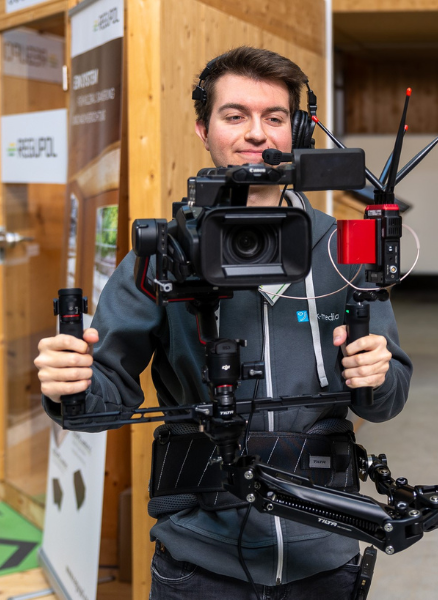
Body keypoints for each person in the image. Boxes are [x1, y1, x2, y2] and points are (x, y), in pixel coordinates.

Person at [35, 46, 412, 599]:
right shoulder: (162, 254)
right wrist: (71, 384)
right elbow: (101, 403)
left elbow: (389, 398)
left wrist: (375, 373)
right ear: (203, 129)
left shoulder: (345, 246)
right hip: (199, 563)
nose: (256, 133)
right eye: (235, 115)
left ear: (297, 132)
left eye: (275, 118)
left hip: (325, 555)